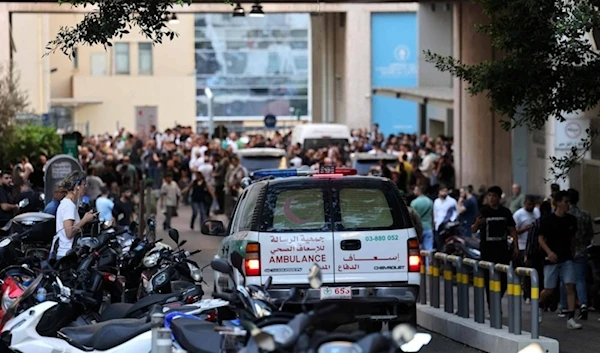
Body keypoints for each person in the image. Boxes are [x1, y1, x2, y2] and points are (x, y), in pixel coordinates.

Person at [537, 190, 582, 329]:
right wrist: (549, 252)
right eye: (565, 201)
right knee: (549, 289)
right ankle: (538, 305)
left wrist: (573, 251)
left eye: (568, 202)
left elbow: (572, 238)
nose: (567, 204)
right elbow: (540, 238)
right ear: (557, 203)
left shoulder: (571, 220)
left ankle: (570, 318)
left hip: (566, 257)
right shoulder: (547, 220)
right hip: (551, 259)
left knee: (570, 285)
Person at [472, 185, 518, 312]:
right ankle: (492, 306)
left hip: (502, 250)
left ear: (499, 198)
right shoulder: (483, 211)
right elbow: (473, 229)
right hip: (487, 251)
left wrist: (516, 247)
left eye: (494, 196)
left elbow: (512, 230)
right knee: (489, 279)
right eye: (490, 196)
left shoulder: (505, 212)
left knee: (503, 279)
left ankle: (496, 299)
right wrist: (477, 224)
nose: (492, 199)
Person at [558, 188, 593, 320]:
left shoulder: (564, 214)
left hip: (566, 251)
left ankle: (564, 305)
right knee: (580, 279)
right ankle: (583, 304)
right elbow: (590, 233)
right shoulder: (585, 214)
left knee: (564, 280)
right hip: (581, 249)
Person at [51, 171, 96, 260]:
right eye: (84, 184)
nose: (85, 187)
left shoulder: (68, 204)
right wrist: (85, 220)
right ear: (77, 186)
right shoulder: (69, 206)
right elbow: (69, 232)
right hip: (66, 255)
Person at [513, 195, 541, 303]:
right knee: (526, 270)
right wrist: (525, 229)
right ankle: (527, 294)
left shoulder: (537, 212)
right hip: (523, 245)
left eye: (533, 204)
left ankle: (533, 293)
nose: (531, 206)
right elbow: (514, 231)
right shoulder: (518, 215)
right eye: (529, 204)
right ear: (524, 203)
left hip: (535, 246)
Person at [433, 184, 458, 249]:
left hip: (448, 226)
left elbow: (456, 212)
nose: (444, 193)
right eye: (442, 191)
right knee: (439, 245)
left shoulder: (452, 201)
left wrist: (451, 220)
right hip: (438, 226)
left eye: (445, 191)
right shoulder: (436, 201)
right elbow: (435, 212)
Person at [411, 185, 434, 253]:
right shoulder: (430, 201)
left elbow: (413, 217)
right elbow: (432, 215)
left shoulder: (414, 203)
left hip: (418, 229)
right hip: (428, 227)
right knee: (428, 249)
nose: (414, 191)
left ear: (418, 191)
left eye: (415, 190)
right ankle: (428, 263)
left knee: (418, 250)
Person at [0, 170, 19, 235]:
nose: (9, 180)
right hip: (4, 223)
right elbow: (4, 207)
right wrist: (15, 206)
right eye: (6, 178)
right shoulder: (1, 190)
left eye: (10, 178)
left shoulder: (7, 189)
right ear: (1, 178)